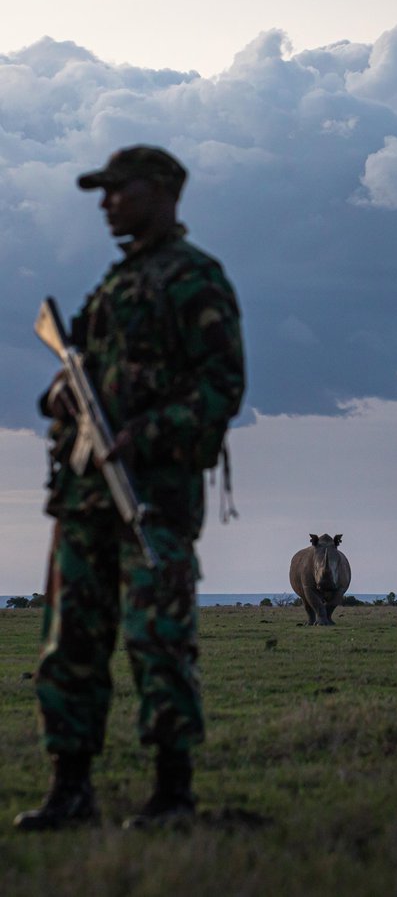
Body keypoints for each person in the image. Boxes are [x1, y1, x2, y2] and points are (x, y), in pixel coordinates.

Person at [15, 146, 245, 830]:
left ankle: (173, 794)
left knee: (159, 640)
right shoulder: (114, 286)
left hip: (152, 497)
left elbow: (221, 387)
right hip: (84, 499)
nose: (107, 202)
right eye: (102, 191)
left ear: (166, 190)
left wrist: (141, 435)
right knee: (71, 644)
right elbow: (74, 374)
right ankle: (70, 789)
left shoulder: (196, 278)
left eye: (120, 189)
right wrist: (62, 394)